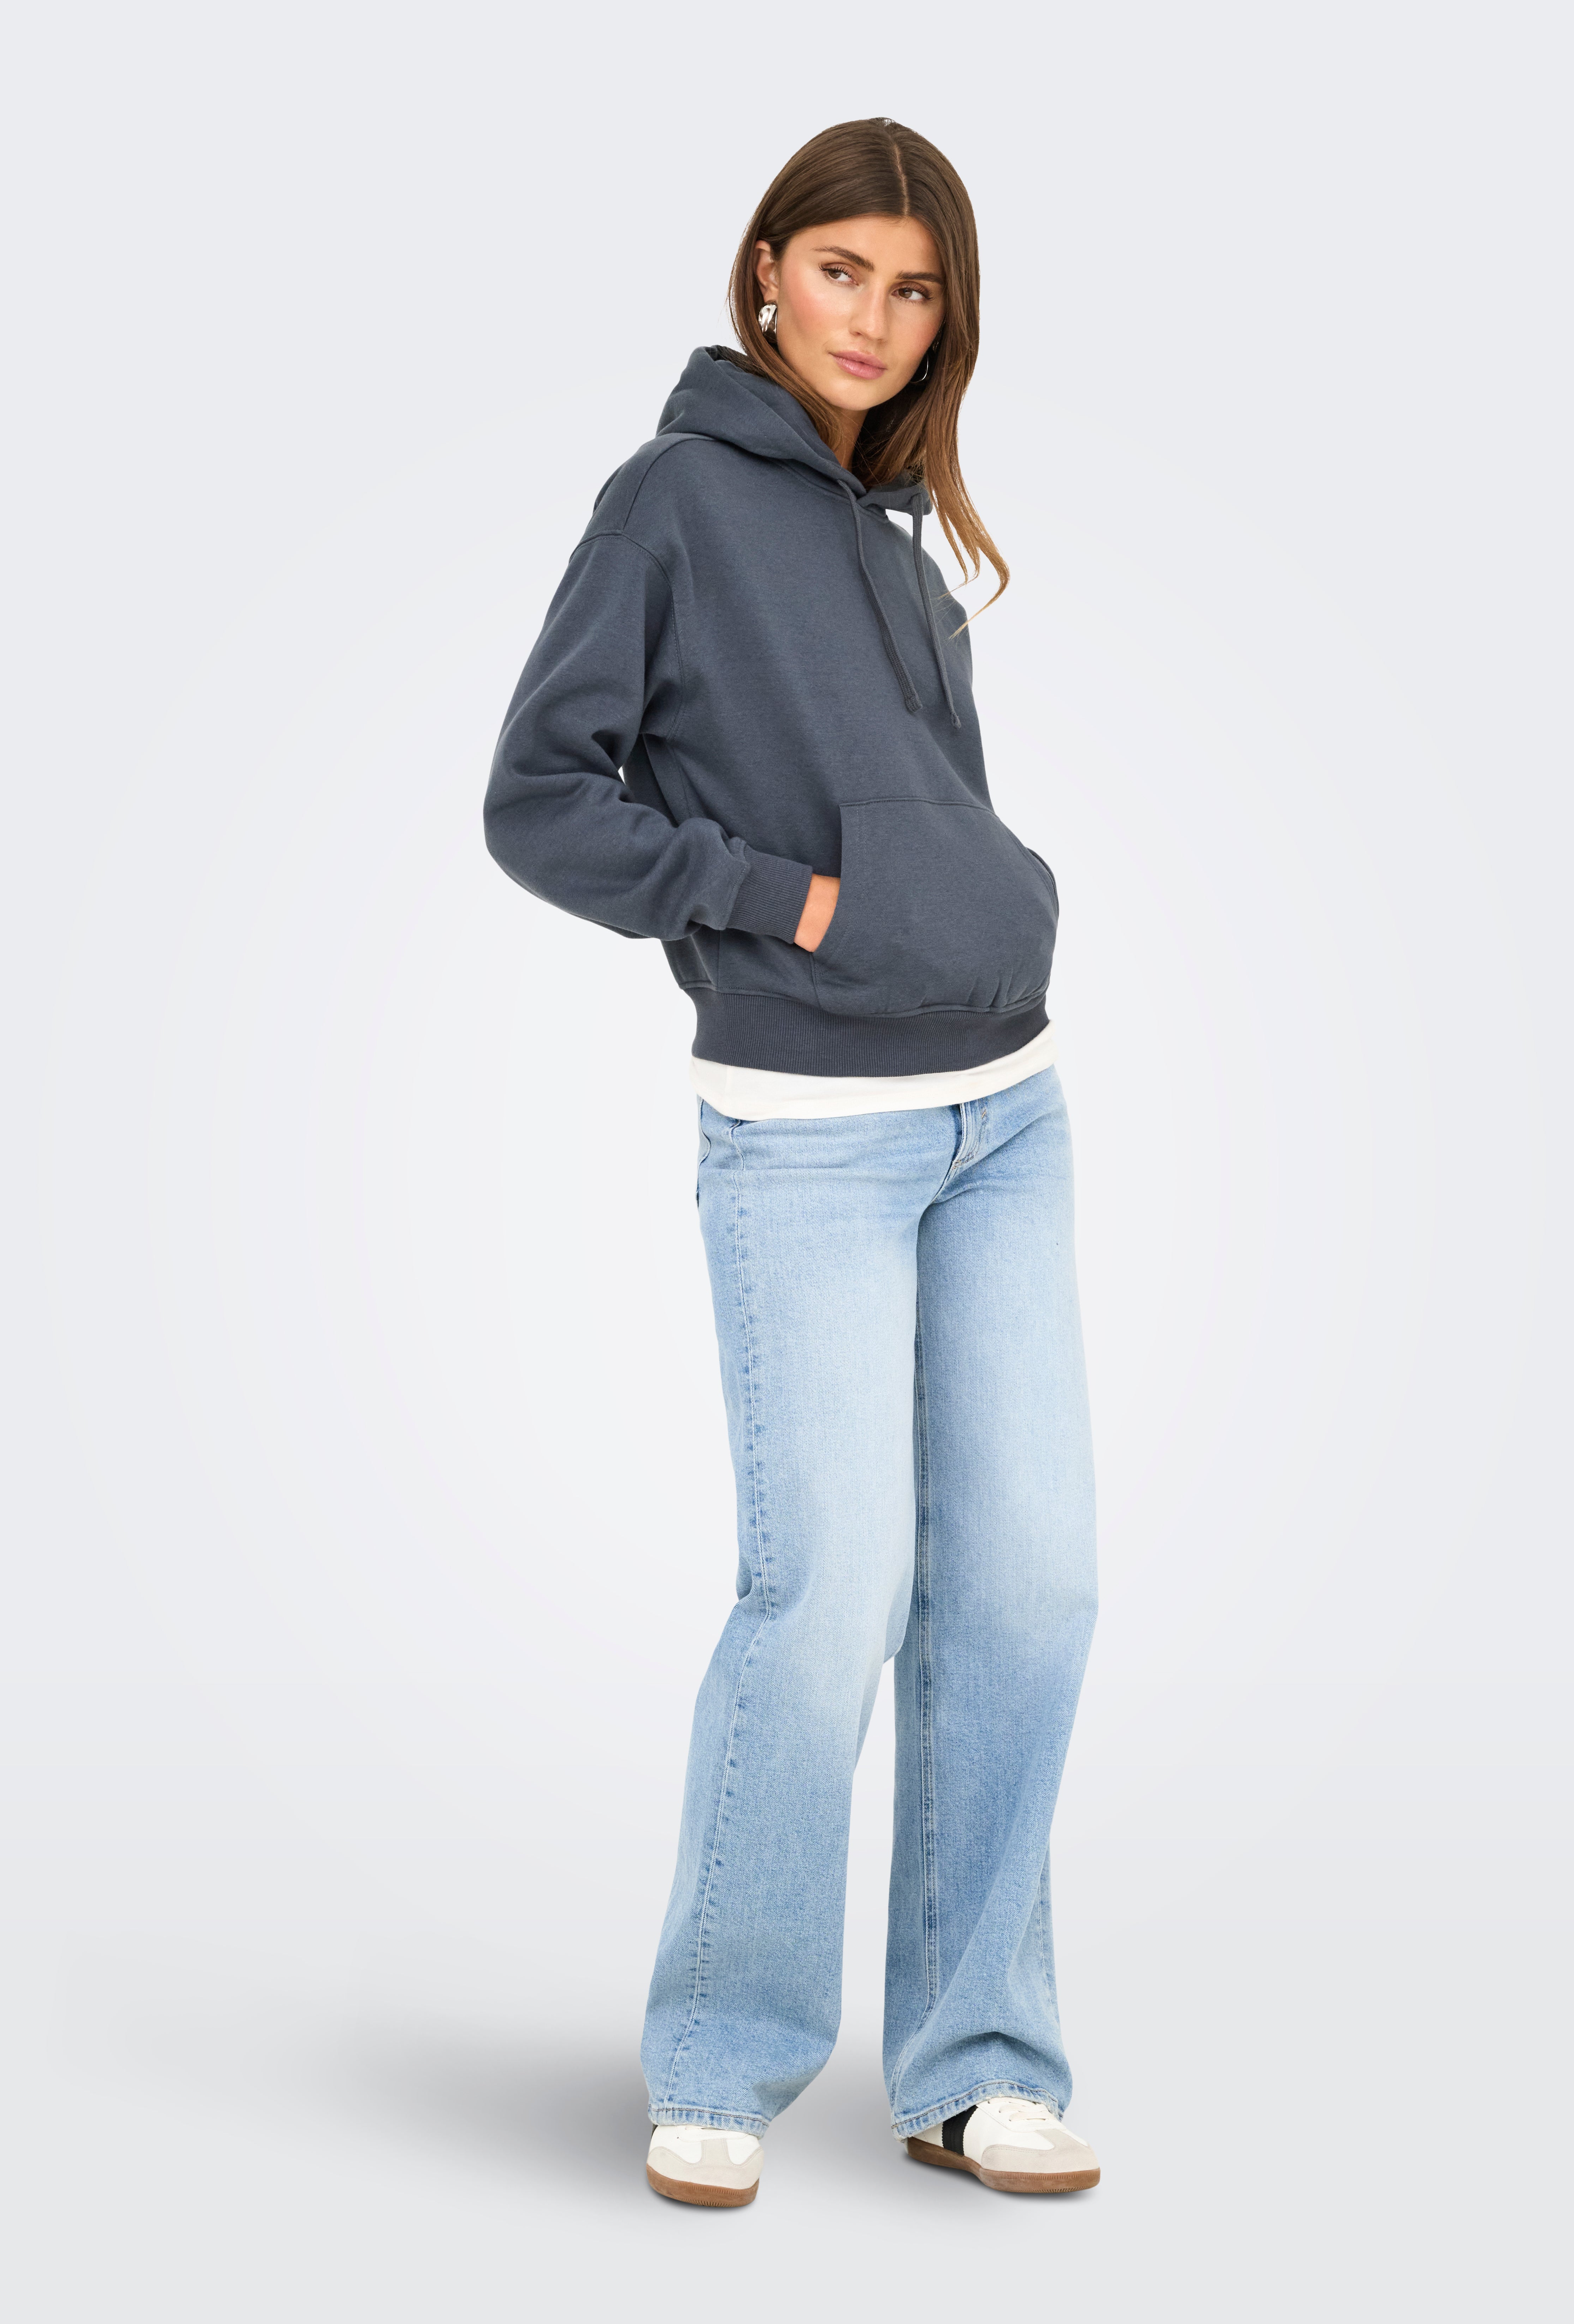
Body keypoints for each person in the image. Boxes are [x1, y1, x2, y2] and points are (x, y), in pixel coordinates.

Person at [485, 117, 1099, 2207]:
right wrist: (791, 904)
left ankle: (977, 2064)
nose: (874, 318)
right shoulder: (670, 503)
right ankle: (724, 2057)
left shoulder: (898, 523)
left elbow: (930, 801)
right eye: (842, 270)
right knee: (824, 1594)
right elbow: (539, 798)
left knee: (1027, 1591)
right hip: (810, 1139)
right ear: (766, 270)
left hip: (1007, 1114)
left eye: (915, 290)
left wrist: (980, 903)